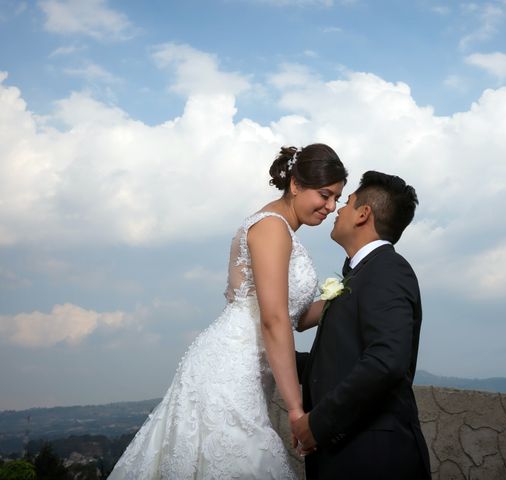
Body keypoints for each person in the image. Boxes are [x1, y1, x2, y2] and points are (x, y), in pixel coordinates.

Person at [108, 144, 347, 479]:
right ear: (295, 185)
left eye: (337, 198)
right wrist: (295, 410)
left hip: (247, 372)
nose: (331, 206)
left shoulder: (282, 231)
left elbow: (297, 317)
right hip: (228, 372)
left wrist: (345, 298)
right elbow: (274, 319)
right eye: (325, 195)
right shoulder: (271, 227)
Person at [293, 171, 431, 480]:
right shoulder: (360, 276)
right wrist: (268, 358)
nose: (337, 209)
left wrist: (318, 424)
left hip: (374, 459)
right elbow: (336, 363)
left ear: (363, 214)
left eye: (348, 202)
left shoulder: (388, 270)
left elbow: (386, 361)